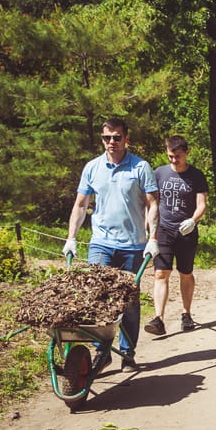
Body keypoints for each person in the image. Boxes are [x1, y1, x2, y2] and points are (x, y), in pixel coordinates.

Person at [62, 118, 159, 372]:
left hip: (133, 245)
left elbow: (152, 204)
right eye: (107, 138)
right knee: (98, 298)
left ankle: (127, 353)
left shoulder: (141, 167)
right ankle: (102, 352)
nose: (111, 142)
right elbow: (81, 204)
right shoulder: (93, 167)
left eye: (116, 137)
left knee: (128, 301)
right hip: (101, 244)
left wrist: (153, 239)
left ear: (126, 138)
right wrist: (71, 237)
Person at [144, 135, 209, 336]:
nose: (174, 160)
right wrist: (149, 229)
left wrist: (193, 220)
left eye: (178, 156)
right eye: (170, 156)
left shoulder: (196, 176)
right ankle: (158, 319)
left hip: (186, 232)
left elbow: (202, 205)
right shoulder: (159, 173)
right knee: (160, 273)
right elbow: (151, 204)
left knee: (185, 272)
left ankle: (186, 313)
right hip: (163, 230)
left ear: (187, 153)